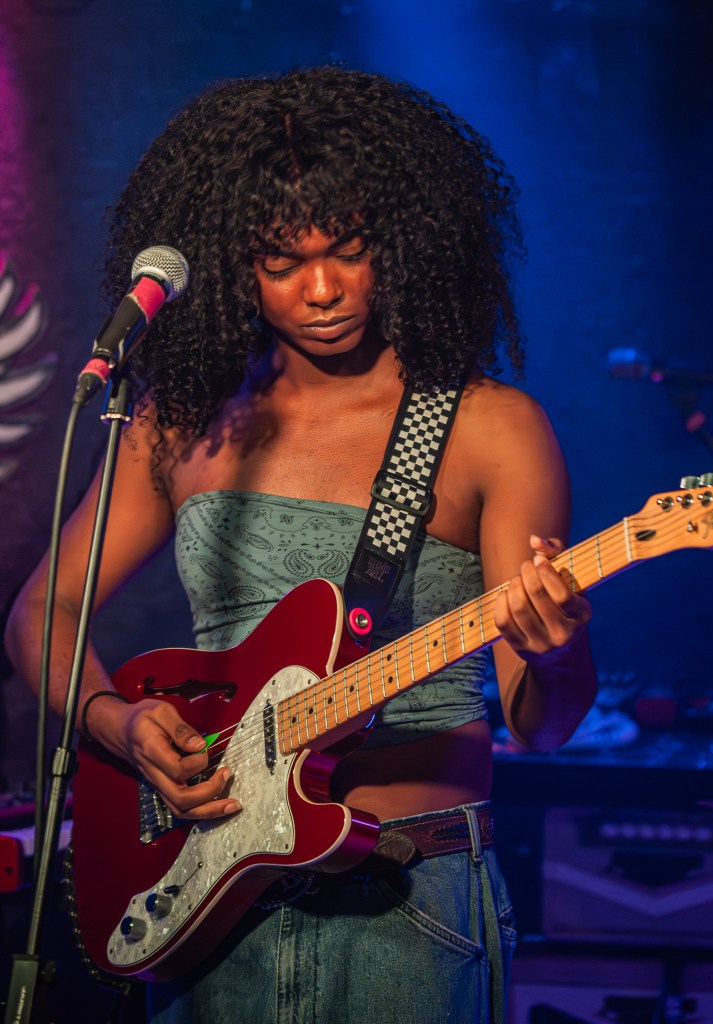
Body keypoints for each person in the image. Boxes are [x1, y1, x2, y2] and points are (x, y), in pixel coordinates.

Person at [4, 67, 596, 1023]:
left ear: (400, 241)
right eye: (282, 262)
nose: (323, 290)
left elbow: (543, 724)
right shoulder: (182, 421)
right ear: (232, 264)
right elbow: (44, 609)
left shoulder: (490, 428)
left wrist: (558, 652)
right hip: (206, 893)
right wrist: (116, 723)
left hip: (408, 897)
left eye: (349, 252)